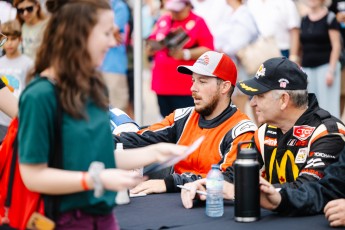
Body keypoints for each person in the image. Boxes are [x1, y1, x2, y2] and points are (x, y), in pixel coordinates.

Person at [17, 0, 187, 228]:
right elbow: (33, 176)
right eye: (107, 33)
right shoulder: (40, 95)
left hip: (104, 218)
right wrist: (95, 179)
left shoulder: (92, 86)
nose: (113, 42)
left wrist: (156, 152)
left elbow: (101, 155)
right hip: (61, 220)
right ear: (80, 33)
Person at [180, 57, 345, 208]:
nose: (251, 103)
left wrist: (242, 192)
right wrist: (206, 184)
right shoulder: (265, 130)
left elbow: (307, 189)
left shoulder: (328, 133)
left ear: (283, 100)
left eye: (258, 96)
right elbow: (235, 174)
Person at [115, 51, 257, 195]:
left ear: (225, 87)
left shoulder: (242, 130)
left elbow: (228, 179)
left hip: (214, 209)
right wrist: (102, 143)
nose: (193, 88)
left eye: (202, 82)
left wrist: (170, 183)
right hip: (174, 204)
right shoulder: (182, 116)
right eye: (193, 81)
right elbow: (140, 138)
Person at [147, 0, 214, 117]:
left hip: (184, 87)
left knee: (186, 122)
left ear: (188, 6)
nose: (174, 13)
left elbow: (209, 49)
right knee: (166, 121)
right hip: (162, 84)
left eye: (177, 10)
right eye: (172, 10)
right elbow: (151, 40)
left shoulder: (198, 22)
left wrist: (186, 53)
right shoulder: (163, 20)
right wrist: (150, 48)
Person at [259, 146, 345, 228]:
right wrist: (281, 199)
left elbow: (306, 182)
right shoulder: (261, 135)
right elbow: (328, 190)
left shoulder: (327, 136)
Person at [300, 0, 342, 118]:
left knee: (328, 106)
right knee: (310, 106)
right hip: (307, 67)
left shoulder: (330, 18)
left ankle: (332, 134)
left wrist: (331, 70)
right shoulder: (304, 20)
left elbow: (336, 45)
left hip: (325, 67)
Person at [0, 19, 33, 140]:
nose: (8, 43)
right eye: (5, 39)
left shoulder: (28, 63)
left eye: (13, 39)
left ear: (20, 39)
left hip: (15, 120)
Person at [101, 0, 130, 112]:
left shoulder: (119, 7)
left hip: (114, 66)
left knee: (118, 107)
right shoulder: (98, 6)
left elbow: (112, 29)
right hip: (99, 66)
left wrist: (110, 31)